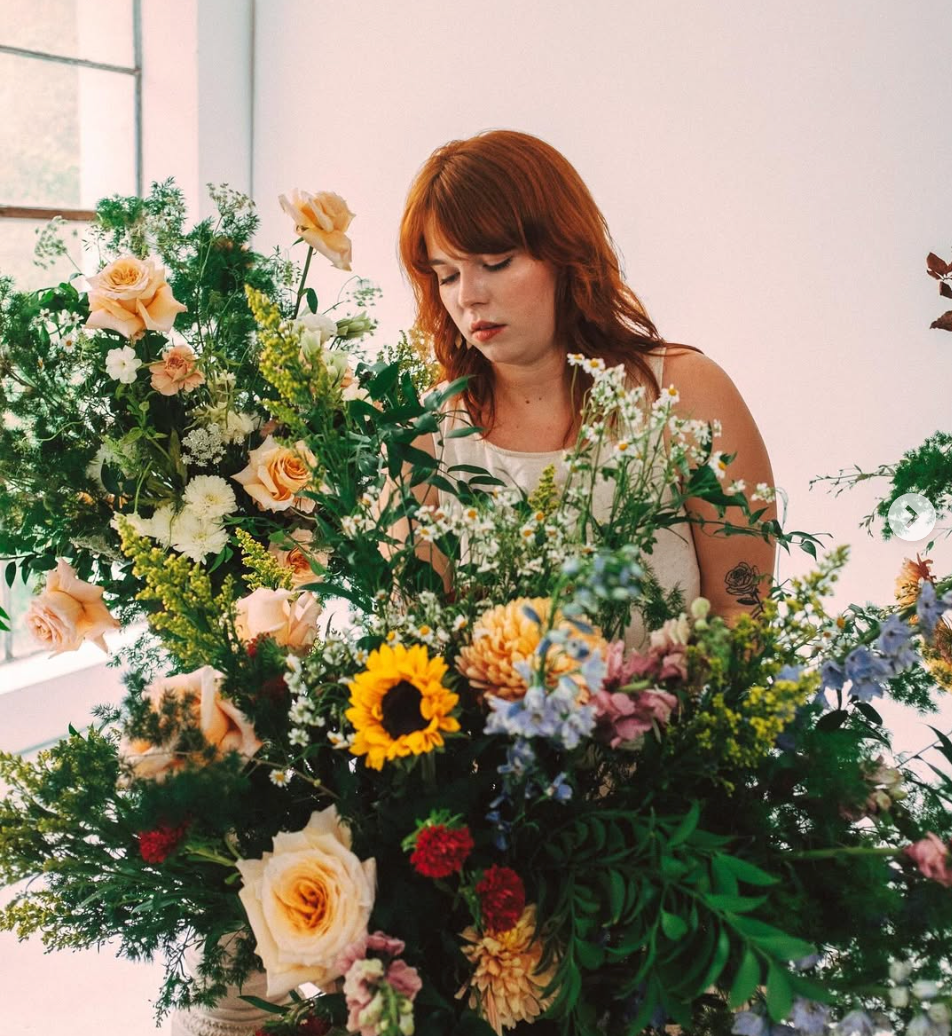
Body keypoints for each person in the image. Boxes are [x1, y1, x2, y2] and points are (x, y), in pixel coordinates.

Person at [396, 129, 777, 642]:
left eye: (495, 263)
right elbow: (414, 646)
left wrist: (642, 709)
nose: (468, 296)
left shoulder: (683, 395)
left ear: (564, 253)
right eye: (446, 276)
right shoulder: (426, 438)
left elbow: (742, 612)